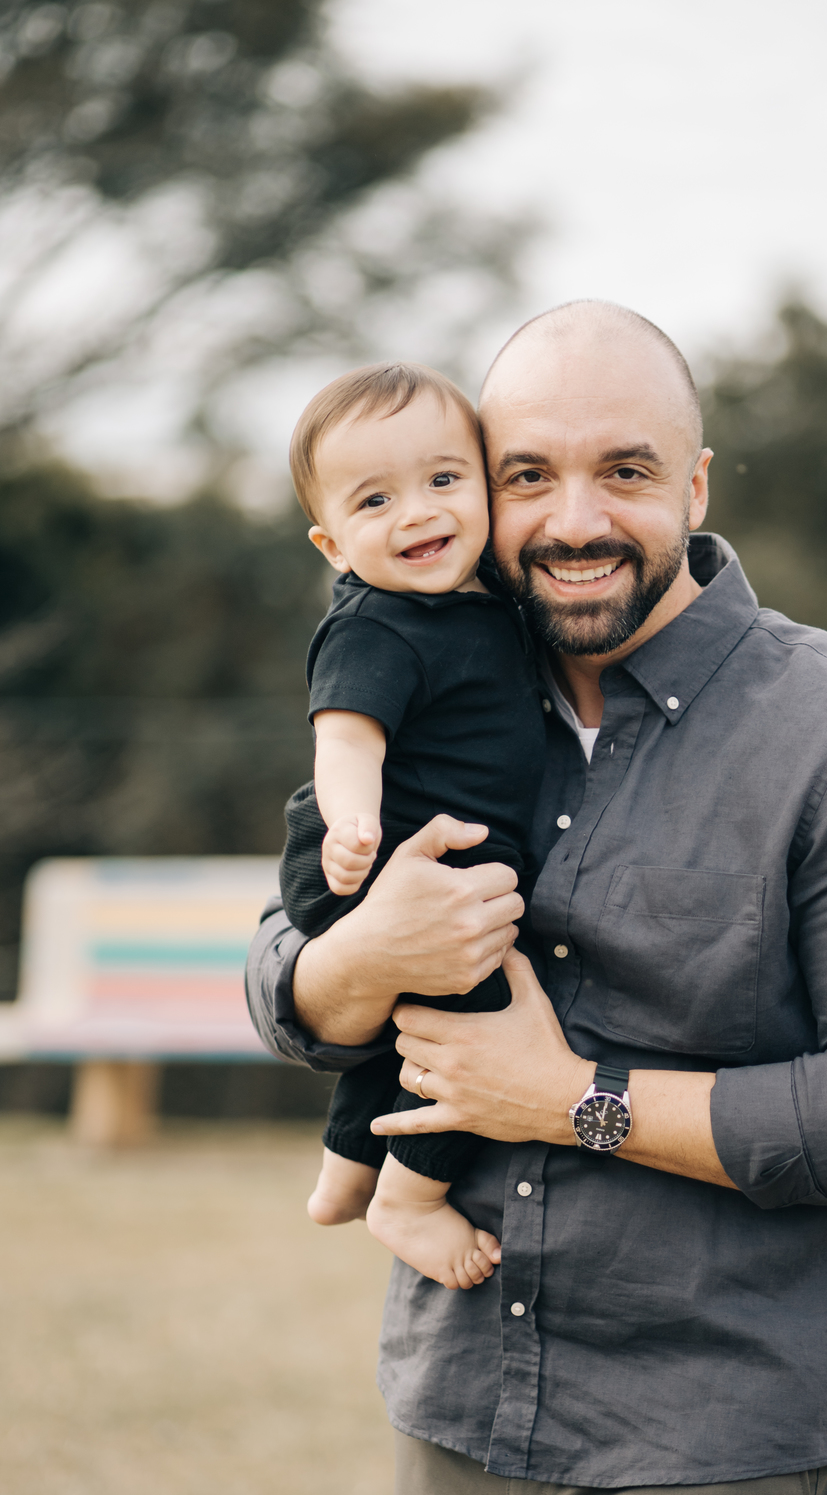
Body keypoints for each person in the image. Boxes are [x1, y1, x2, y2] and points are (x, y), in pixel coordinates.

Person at [246, 299, 827, 1495]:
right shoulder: (434, 665)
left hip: (708, 1443)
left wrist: (567, 1101)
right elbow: (286, 973)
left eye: (628, 472)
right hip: (456, 1413)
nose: (575, 520)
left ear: (697, 485)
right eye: (527, 474)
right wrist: (357, 962)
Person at [280, 360, 545, 1288]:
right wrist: (352, 826)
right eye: (376, 499)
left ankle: (346, 1172)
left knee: (409, 1018)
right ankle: (410, 1197)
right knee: (475, 1020)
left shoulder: (484, 602)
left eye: (443, 479)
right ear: (333, 544)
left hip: (428, 854)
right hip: (383, 855)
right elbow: (346, 735)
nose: (418, 513)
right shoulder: (378, 624)